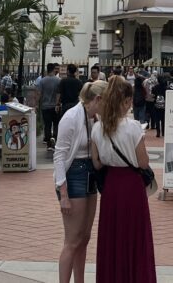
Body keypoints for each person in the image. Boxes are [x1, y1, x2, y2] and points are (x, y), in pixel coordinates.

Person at [90, 76, 155, 281]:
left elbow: (97, 163)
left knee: (113, 238)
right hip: (132, 187)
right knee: (135, 237)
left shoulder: (97, 128)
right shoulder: (133, 127)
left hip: (111, 187)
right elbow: (143, 163)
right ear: (126, 102)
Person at [54, 79, 105, 283]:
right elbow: (59, 155)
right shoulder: (71, 116)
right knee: (72, 240)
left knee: (84, 237)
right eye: (106, 101)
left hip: (90, 173)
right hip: (73, 173)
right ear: (97, 99)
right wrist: (63, 194)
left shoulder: (95, 118)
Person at [39, 63, 62, 149]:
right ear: (53, 69)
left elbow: (39, 94)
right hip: (55, 107)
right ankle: (55, 140)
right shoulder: (58, 80)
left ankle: (49, 143)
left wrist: (37, 105)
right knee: (56, 124)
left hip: (45, 106)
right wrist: (57, 104)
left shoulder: (42, 81)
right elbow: (59, 93)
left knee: (47, 125)